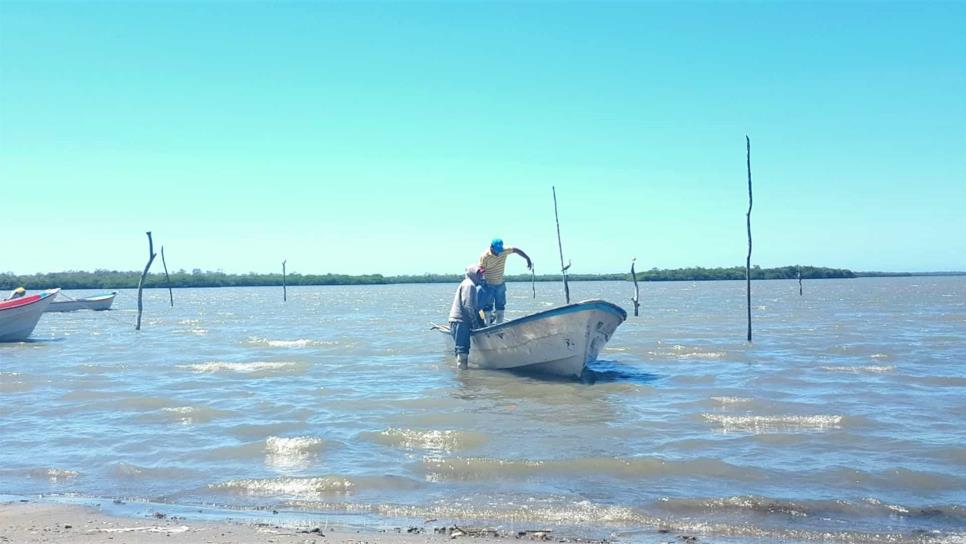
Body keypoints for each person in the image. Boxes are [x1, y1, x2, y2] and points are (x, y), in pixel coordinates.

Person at [478, 238, 532, 324]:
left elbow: (516, 250)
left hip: (500, 284)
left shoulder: (504, 250)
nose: (498, 253)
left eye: (500, 250)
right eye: (496, 251)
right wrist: (482, 282)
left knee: (500, 306)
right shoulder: (485, 256)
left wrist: (527, 258)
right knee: (488, 306)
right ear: (491, 247)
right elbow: (481, 269)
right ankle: (487, 326)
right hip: (489, 284)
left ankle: (499, 326)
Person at [447, 264, 486, 369]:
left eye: (482, 274)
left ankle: (463, 380)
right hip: (460, 322)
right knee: (462, 353)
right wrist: (475, 325)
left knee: (461, 351)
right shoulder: (469, 285)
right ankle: (463, 378)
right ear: (472, 274)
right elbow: (468, 306)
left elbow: (474, 308)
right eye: (479, 274)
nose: (481, 277)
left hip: (460, 321)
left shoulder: (469, 284)